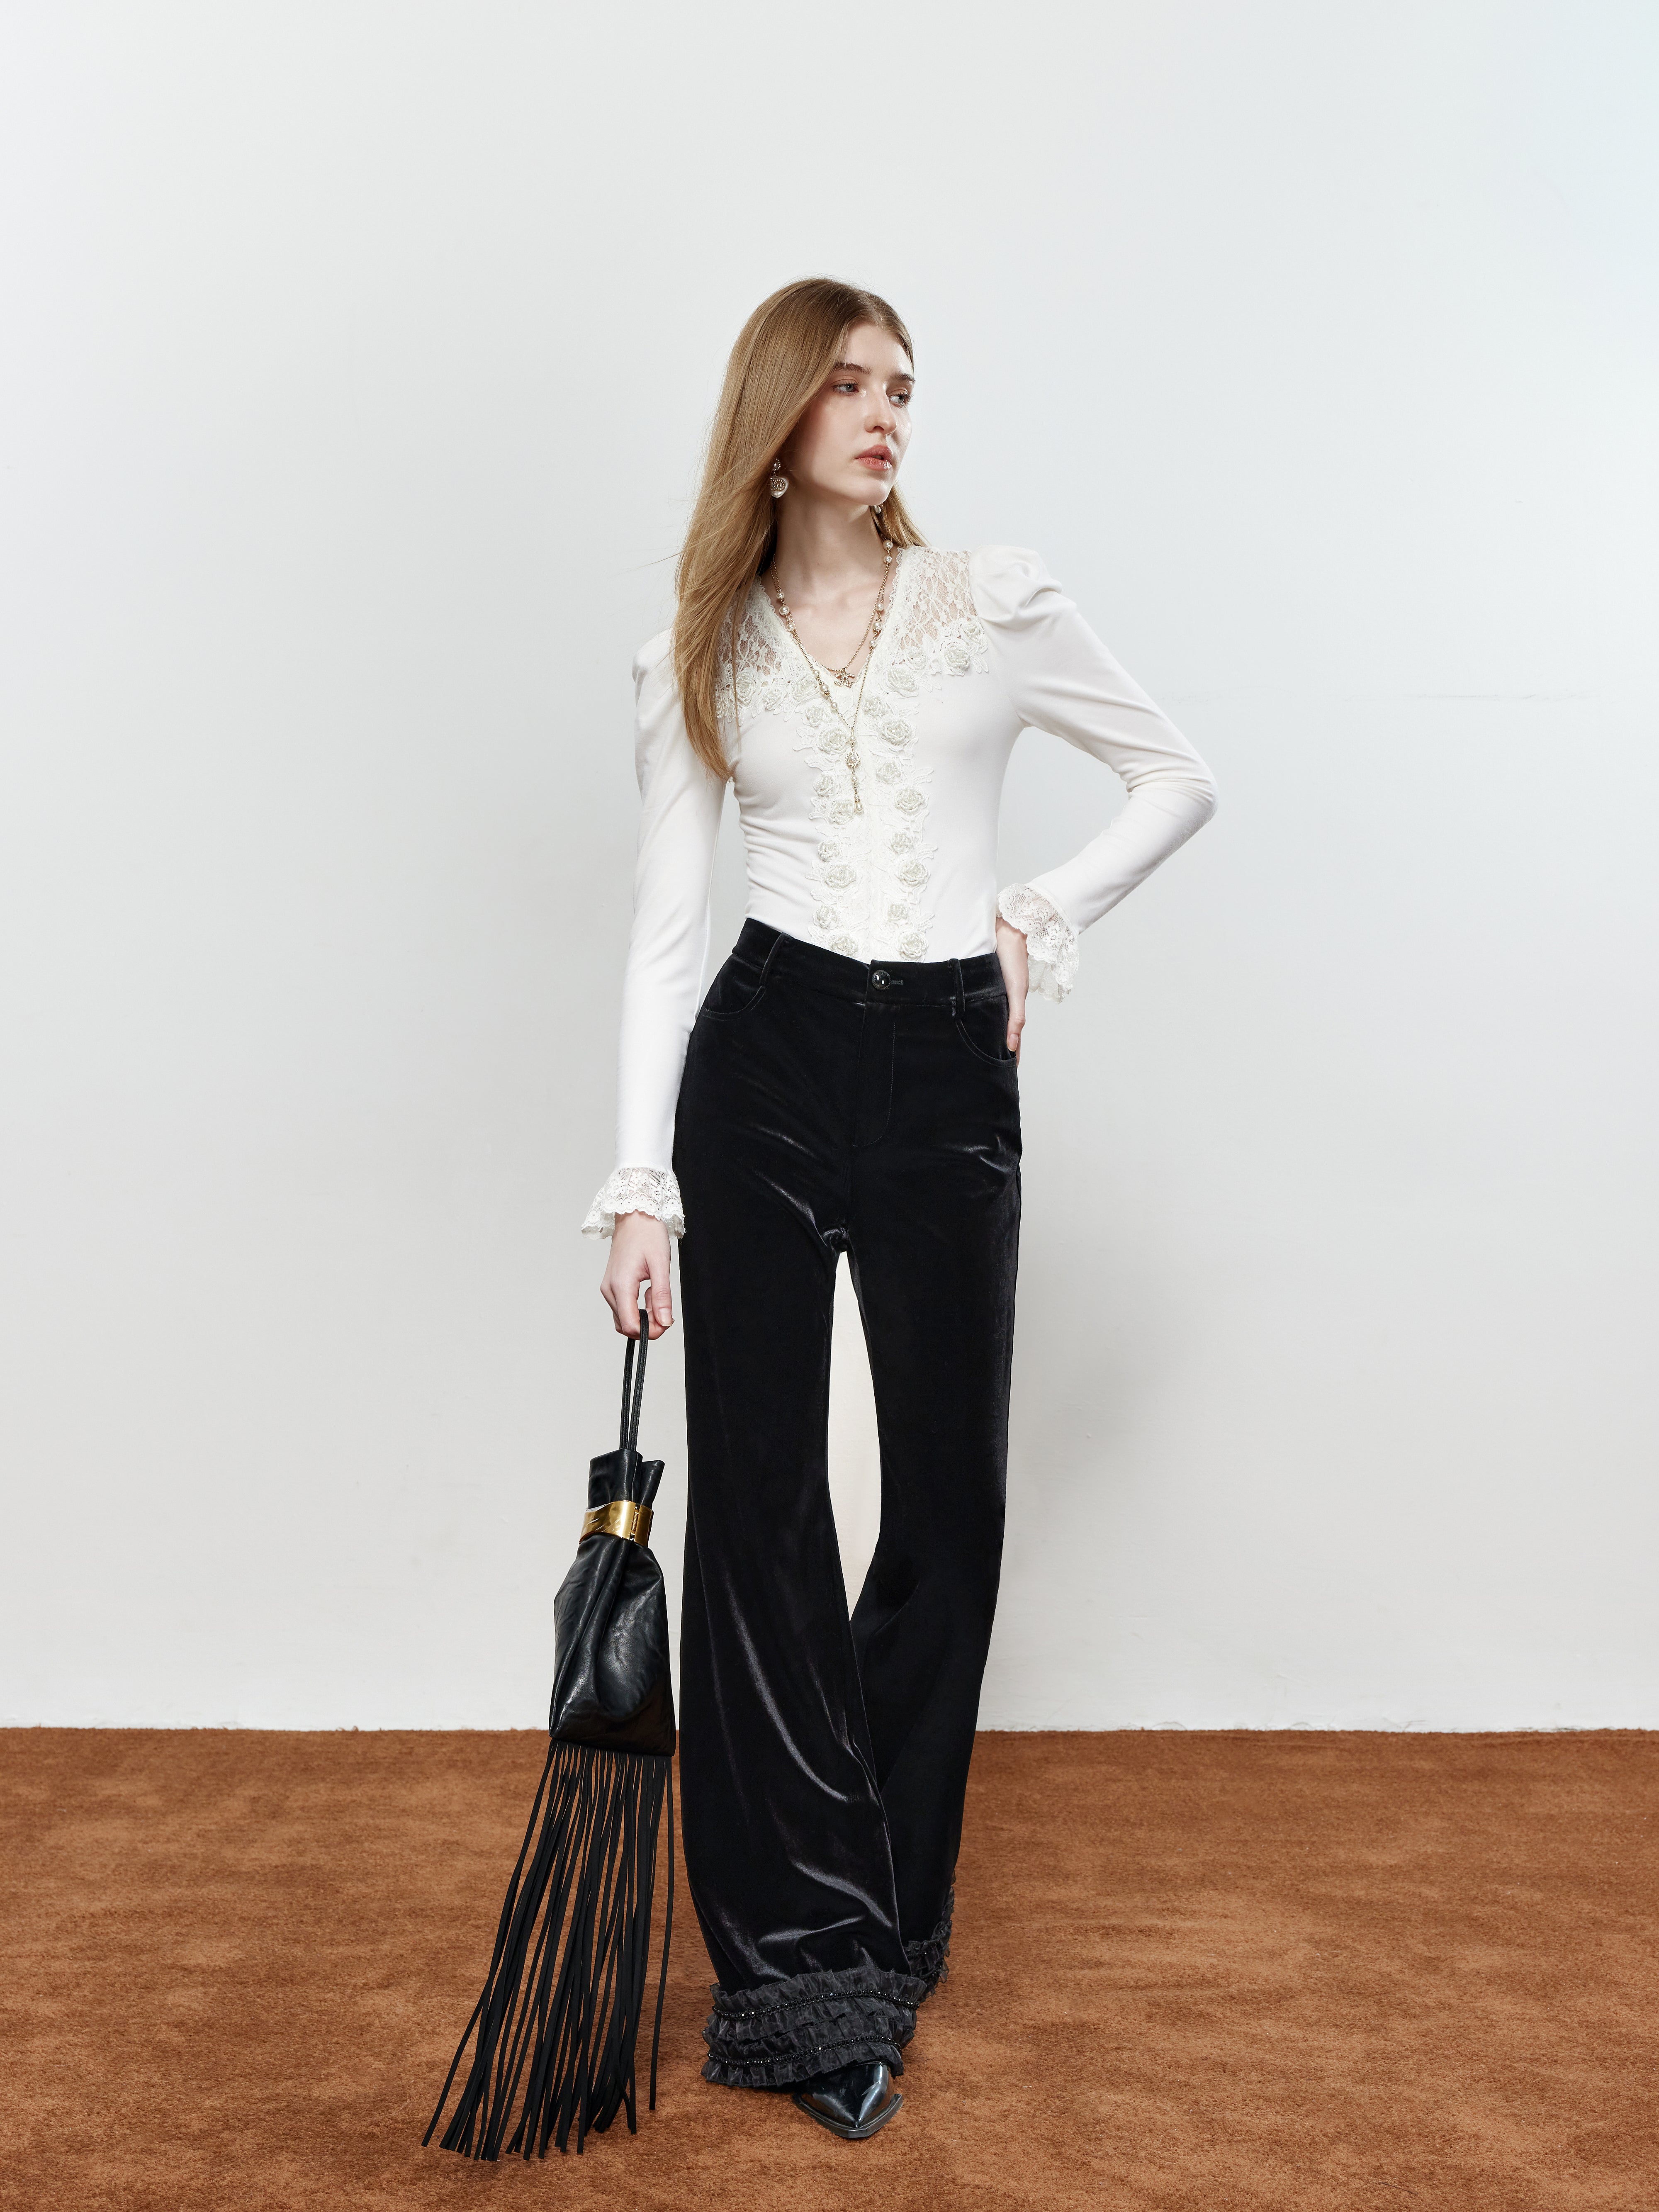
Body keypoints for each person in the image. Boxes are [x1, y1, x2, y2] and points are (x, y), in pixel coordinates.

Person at [581, 277, 1217, 2141]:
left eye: (903, 388)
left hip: (946, 1065)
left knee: (947, 1507)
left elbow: (1178, 776)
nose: (885, 416)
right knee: (761, 1516)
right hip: (763, 1062)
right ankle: (804, 1965)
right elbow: (667, 933)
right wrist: (639, 1188)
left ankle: (874, 1913)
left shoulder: (988, 605)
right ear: (776, 415)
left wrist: (1043, 911)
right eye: (849, 384)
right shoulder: (697, 649)